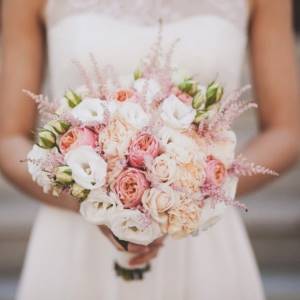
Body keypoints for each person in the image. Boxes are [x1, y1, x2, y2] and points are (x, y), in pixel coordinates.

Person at [0, 0, 299, 299]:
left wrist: (190, 195)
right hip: (73, 241)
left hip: (201, 241)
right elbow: (7, 138)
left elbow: (288, 131)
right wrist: (95, 204)